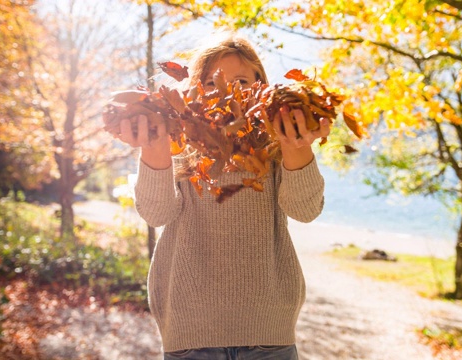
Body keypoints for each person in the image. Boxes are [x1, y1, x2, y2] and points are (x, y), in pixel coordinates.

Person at [116, 31, 330, 360]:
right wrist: (154, 149)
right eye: (213, 83)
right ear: (195, 90)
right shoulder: (178, 145)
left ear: (262, 88)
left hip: (268, 333)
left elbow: (304, 210)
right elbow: (156, 214)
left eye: (241, 81)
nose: (227, 91)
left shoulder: (275, 149)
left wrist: (296, 147)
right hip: (189, 333)